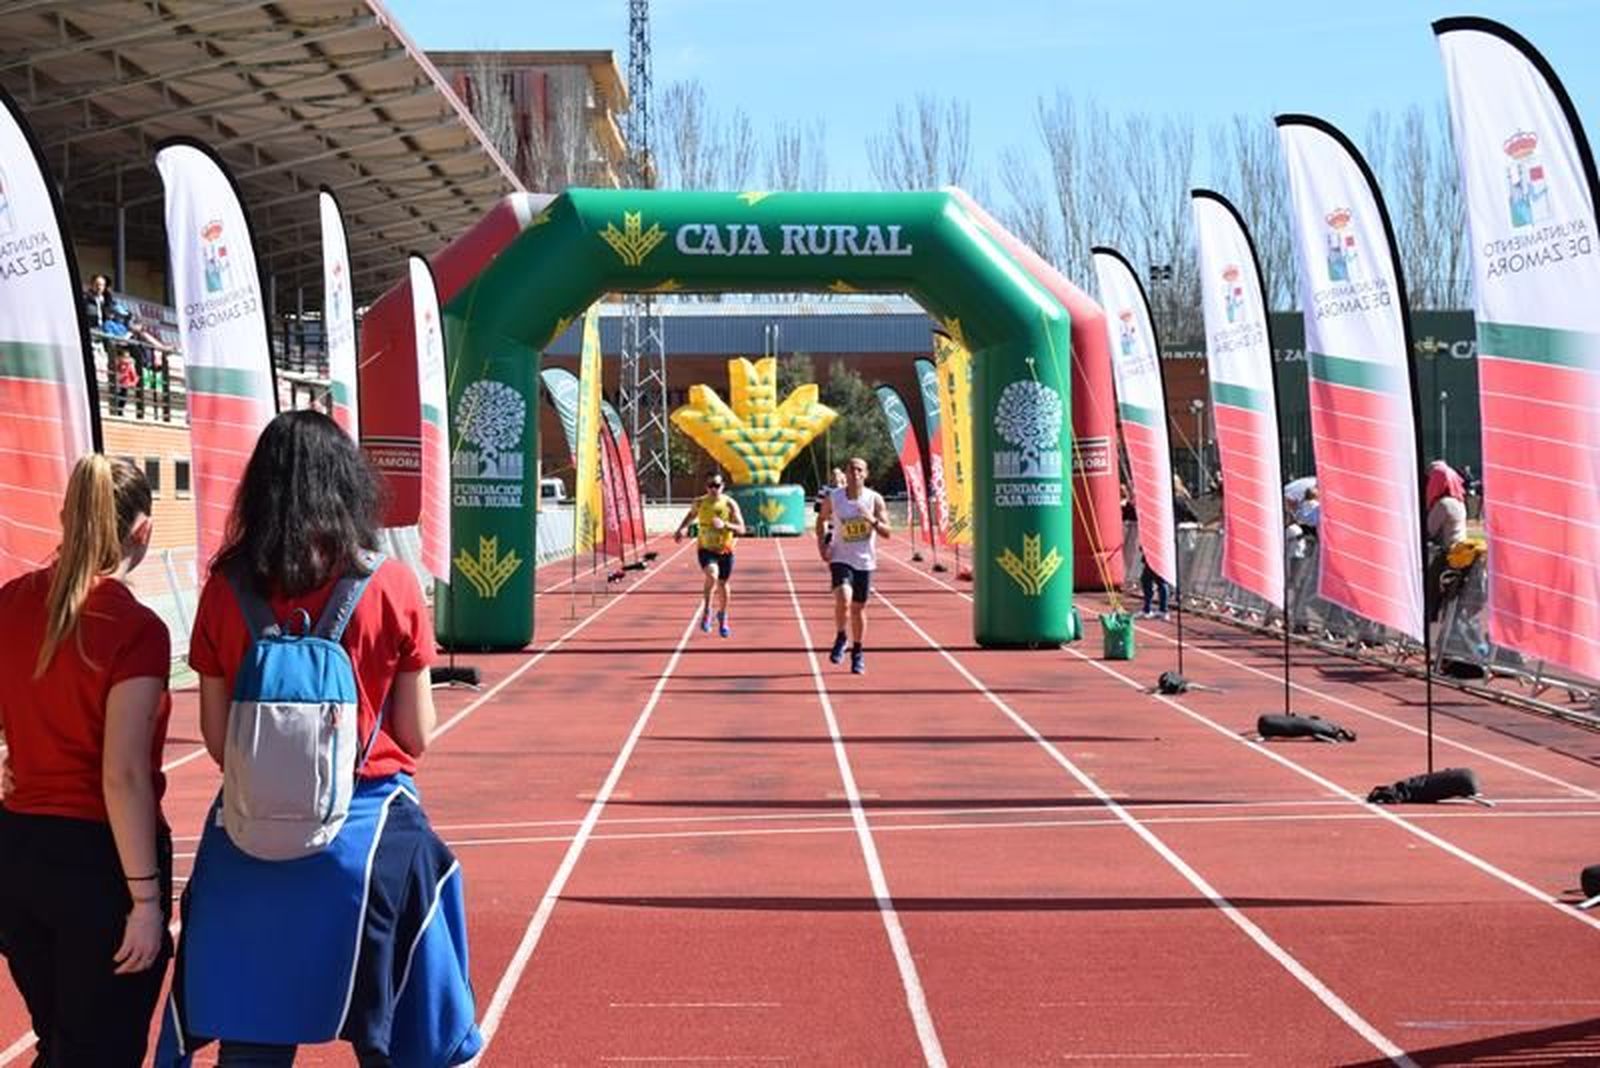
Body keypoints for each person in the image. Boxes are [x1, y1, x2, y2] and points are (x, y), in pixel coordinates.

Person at [157, 410, 480, 1067]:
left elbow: (219, 742)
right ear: (349, 486)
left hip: (249, 843)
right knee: (393, 1024)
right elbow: (415, 735)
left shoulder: (225, 590)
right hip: (365, 835)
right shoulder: (390, 583)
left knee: (253, 1038)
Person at [0, 455, 172, 1067]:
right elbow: (121, 774)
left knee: (63, 1045)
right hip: (99, 863)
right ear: (143, 531)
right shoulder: (136, 628)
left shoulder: (10, 603)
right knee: (102, 1052)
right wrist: (147, 902)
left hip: (17, 856)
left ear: (65, 519)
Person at [817, 456, 892, 674]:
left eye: (859, 470)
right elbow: (821, 520)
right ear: (846, 474)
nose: (855, 473)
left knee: (858, 609)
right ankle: (841, 636)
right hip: (841, 557)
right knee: (844, 598)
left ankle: (857, 650)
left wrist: (872, 520)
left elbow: (887, 533)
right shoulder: (834, 497)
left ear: (865, 474)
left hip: (865, 561)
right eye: (851, 470)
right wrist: (823, 546)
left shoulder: (874, 499)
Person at [673, 471, 746, 638]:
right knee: (713, 575)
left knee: (723, 584)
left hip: (725, 550)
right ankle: (707, 610)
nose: (714, 489)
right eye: (710, 485)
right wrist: (682, 528)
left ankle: (723, 614)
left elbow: (742, 529)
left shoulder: (730, 504)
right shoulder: (699, 502)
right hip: (705, 549)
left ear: (723, 486)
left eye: (717, 485)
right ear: (706, 487)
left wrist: (725, 525)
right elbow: (690, 516)